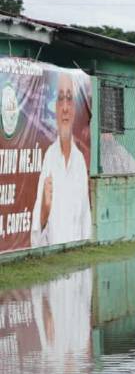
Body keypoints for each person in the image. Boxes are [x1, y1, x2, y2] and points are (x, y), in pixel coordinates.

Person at [30, 72, 91, 248]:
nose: (65, 107)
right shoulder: (49, 158)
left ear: (74, 109)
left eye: (70, 99)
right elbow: (36, 241)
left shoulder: (79, 161)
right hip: (54, 267)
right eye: (61, 99)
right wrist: (44, 211)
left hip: (77, 264)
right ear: (55, 108)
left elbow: (86, 225)